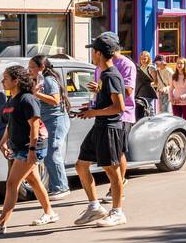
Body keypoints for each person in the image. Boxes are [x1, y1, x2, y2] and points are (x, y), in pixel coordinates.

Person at [0, 64, 57, 234]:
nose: (2, 81)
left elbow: (34, 125)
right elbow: (10, 124)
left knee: (12, 183)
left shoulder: (27, 99)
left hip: (31, 146)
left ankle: (1, 223)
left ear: (16, 81)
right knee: (34, 181)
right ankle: (50, 212)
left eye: (6, 78)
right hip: (20, 145)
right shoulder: (11, 100)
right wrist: (3, 141)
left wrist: (32, 149)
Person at [75, 36, 129, 228]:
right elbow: (107, 102)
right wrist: (91, 107)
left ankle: (117, 212)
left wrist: (93, 112)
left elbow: (119, 107)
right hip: (100, 125)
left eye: (93, 51)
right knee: (81, 165)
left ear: (98, 53)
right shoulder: (104, 75)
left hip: (110, 128)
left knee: (112, 171)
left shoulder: (111, 76)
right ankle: (94, 207)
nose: (92, 54)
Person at [87, 32, 135, 205]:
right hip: (104, 113)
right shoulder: (99, 67)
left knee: (117, 153)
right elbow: (102, 90)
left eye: (95, 48)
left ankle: (117, 189)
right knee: (88, 161)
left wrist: (105, 87)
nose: (93, 52)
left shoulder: (124, 64)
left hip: (123, 114)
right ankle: (113, 190)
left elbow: (127, 91)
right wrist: (98, 91)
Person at [29, 54, 70, 199]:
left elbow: (55, 100)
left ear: (42, 67)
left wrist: (37, 94)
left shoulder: (49, 80)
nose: (30, 70)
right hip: (48, 121)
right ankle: (55, 186)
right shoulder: (40, 80)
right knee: (49, 153)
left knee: (52, 151)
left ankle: (61, 187)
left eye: (32, 67)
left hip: (56, 120)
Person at [135, 51, 158, 120]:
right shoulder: (140, 67)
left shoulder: (151, 68)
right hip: (140, 91)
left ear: (148, 59)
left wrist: (150, 84)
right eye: (142, 59)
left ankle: (154, 122)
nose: (143, 60)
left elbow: (156, 82)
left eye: (145, 58)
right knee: (142, 107)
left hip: (148, 91)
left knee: (150, 107)